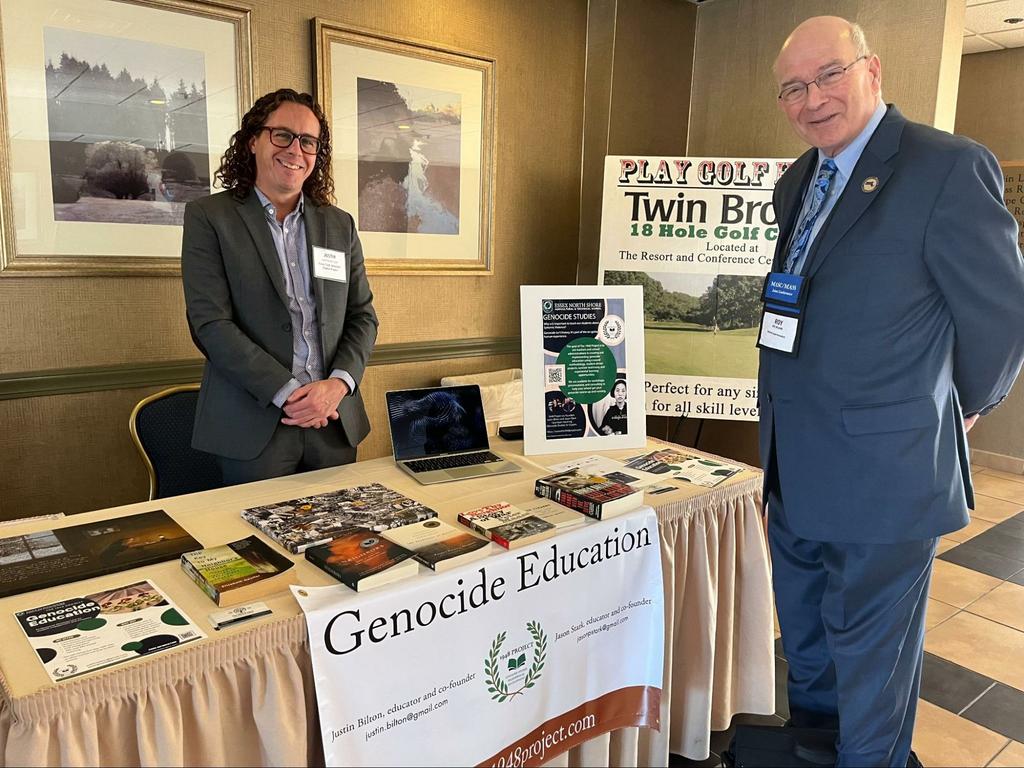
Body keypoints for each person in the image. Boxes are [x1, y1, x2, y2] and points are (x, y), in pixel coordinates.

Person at [760, 17, 1024, 767]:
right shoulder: (796, 181)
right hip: (793, 460)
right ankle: (813, 751)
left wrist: (959, 407)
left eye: (829, 75)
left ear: (872, 71)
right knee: (807, 640)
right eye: (793, 87)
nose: (812, 99)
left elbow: (1002, 317)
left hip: (886, 470)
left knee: (871, 659)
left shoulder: (946, 167)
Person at [182, 89, 378, 485]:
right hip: (254, 427)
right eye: (283, 135)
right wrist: (289, 392)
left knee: (341, 542)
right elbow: (210, 323)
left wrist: (338, 385)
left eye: (309, 141)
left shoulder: (339, 225)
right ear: (253, 139)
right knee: (259, 546)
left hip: (333, 422)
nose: (296, 150)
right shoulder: (209, 217)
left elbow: (363, 316)